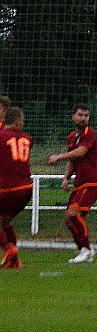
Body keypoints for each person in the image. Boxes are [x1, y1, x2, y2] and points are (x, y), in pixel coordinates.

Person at [48, 104, 97, 264]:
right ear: (73, 116)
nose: (83, 118)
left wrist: (58, 157)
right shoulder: (72, 137)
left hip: (92, 182)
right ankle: (84, 250)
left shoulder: (89, 133)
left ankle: (86, 250)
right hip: (80, 183)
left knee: (73, 215)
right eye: (80, 115)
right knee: (69, 219)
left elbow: (81, 152)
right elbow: (73, 159)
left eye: (86, 115)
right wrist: (66, 178)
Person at [0, 107, 33, 269]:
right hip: (26, 188)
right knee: (4, 221)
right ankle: (14, 261)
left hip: (6, 187)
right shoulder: (27, 138)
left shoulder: (1, 136)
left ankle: (8, 248)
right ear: (18, 120)